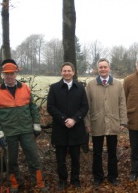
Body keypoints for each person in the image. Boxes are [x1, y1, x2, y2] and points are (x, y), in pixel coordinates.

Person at [0, 59, 47, 193]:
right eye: (6, 74)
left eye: (11, 73)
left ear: (16, 73)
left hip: (27, 130)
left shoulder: (25, 88)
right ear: (3, 75)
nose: (9, 76)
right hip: (9, 132)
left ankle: (39, 182)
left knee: (33, 157)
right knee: (11, 160)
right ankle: (14, 184)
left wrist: (36, 125)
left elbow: (33, 109)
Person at [84, 58, 128, 187]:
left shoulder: (118, 84)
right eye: (101, 67)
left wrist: (123, 121)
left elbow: (122, 104)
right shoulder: (91, 85)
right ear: (98, 69)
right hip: (96, 122)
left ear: (109, 68)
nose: (103, 69)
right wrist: (87, 123)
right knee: (97, 152)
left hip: (113, 122)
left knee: (112, 152)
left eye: (105, 67)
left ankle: (112, 176)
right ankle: (98, 177)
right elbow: (86, 105)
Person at [47, 62, 89, 191]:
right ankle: (62, 180)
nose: (67, 73)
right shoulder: (54, 88)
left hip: (76, 128)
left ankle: (75, 180)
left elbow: (84, 107)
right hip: (60, 128)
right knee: (60, 158)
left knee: (76, 158)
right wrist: (64, 119)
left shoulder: (80, 88)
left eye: (69, 70)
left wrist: (75, 119)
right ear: (61, 72)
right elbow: (51, 107)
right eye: (64, 71)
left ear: (73, 72)